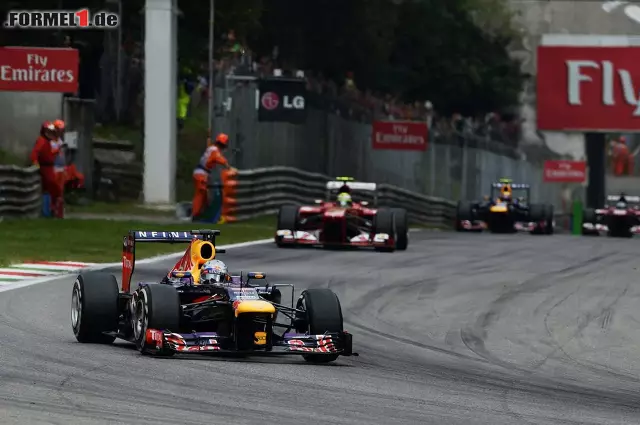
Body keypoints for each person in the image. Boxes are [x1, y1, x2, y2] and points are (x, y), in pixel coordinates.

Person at [192, 132, 237, 219]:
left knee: (205, 195)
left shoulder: (211, 148)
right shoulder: (214, 150)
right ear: (223, 145)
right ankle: (195, 215)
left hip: (200, 173)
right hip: (201, 174)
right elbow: (221, 160)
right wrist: (229, 167)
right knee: (200, 195)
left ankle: (201, 214)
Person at [30, 122, 64, 218]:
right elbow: (34, 154)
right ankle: (48, 211)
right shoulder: (42, 140)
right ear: (44, 131)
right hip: (45, 167)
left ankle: (51, 210)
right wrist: (36, 165)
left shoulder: (48, 142)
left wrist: (57, 151)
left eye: (51, 131)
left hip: (50, 167)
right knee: (53, 187)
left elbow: (49, 154)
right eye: (48, 131)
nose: (50, 133)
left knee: (53, 189)